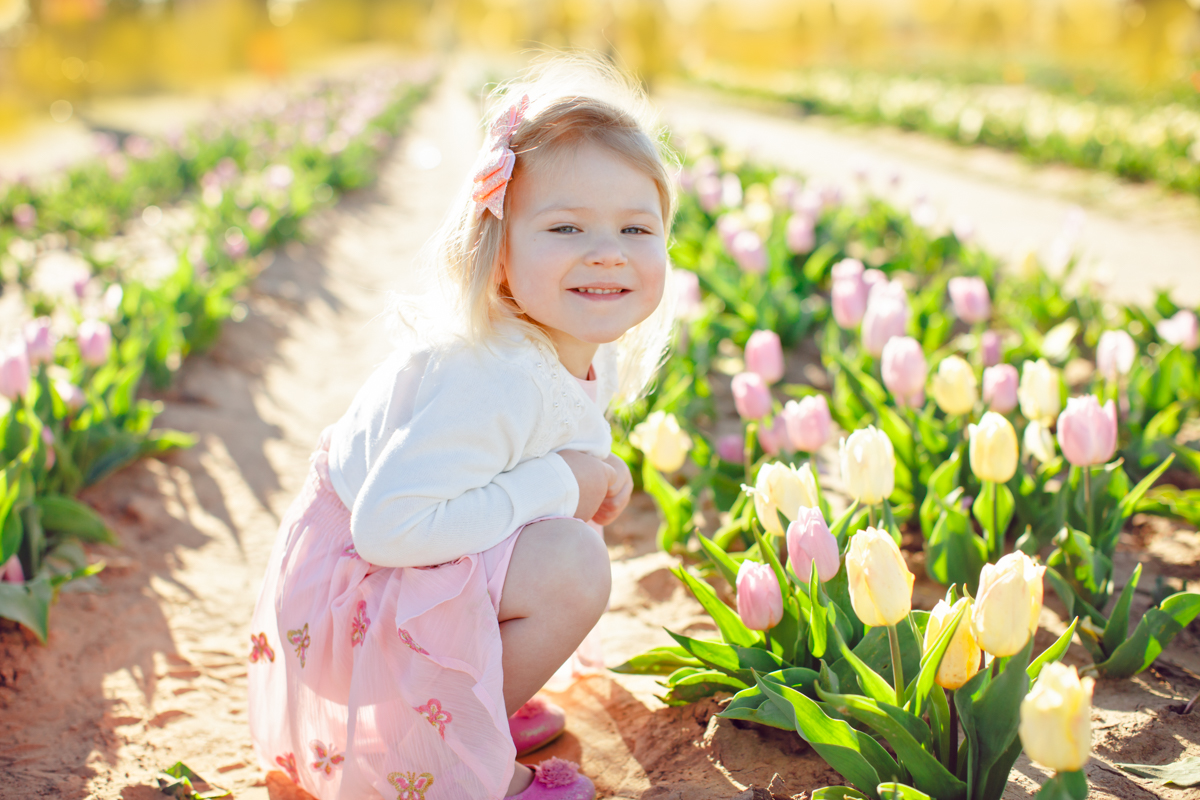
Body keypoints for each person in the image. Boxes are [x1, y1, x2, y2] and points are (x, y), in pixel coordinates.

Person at [247, 53, 677, 800]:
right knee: (572, 564)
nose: (607, 251)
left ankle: (468, 702)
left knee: (564, 536)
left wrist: (590, 469)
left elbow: (555, 432)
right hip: (356, 603)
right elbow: (390, 528)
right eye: (567, 226)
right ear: (500, 254)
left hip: (398, 583)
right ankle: (447, 757)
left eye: (636, 227)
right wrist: (562, 480)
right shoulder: (487, 377)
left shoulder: (572, 339)